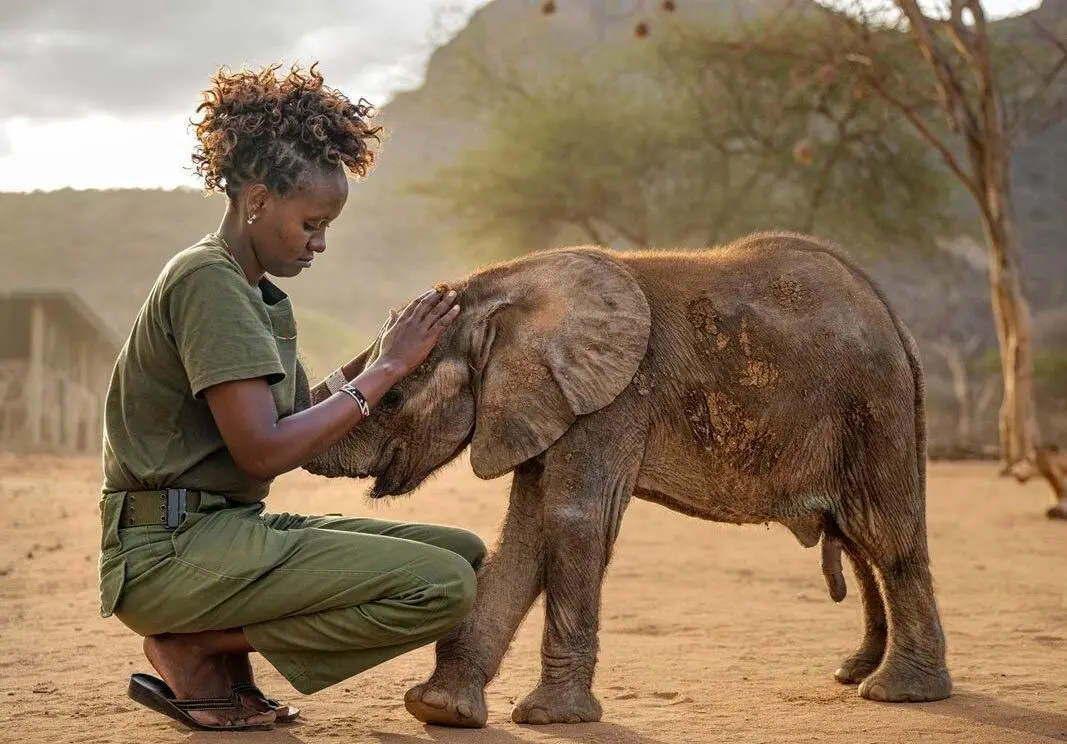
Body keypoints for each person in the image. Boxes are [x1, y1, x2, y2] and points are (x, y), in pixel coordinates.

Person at [96, 62, 485, 732]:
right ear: (256, 200)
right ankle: (196, 647)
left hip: (224, 533)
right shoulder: (207, 282)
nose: (320, 243)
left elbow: (298, 423)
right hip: (169, 551)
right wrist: (386, 370)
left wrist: (384, 357)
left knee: (465, 553)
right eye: (311, 223)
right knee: (443, 586)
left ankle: (217, 651)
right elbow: (263, 451)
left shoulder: (257, 295)